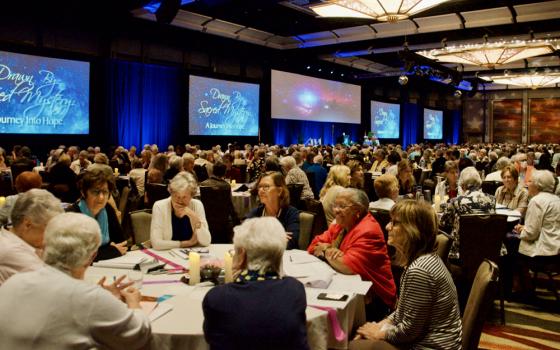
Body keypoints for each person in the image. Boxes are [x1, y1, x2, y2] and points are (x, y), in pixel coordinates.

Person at [0, 212, 151, 349]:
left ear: (44, 246)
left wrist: (102, 298)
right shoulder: (88, 298)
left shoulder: (12, 283)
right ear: (92, 256)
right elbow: (139, 336)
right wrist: (134, 302)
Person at [352, 200, 462, 349]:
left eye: (395, 223)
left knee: (353, 346)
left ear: (412, 231)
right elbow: (403, 313)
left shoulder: (420, 270)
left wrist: (378, 333)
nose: (387, 226)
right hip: (425, 340)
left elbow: (408, 332)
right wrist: (379, 326)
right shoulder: (422, 260)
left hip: (429, 346)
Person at [203, 217, 309, 350]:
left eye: (235, 251)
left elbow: (209, 338)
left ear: (242, 254)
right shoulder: (295, 290)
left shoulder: (217, 297)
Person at [308, 188, 396, 318]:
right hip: (348, 286)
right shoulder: (341, 224)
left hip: (374, 299)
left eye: (342, 206)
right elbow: (313, 245)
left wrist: (325, 249)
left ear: (358, 211)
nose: (336, 210)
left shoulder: (368, 231)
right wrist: (329, 251)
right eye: (335, 205)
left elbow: (347, 266)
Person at [0, 189, 63, 285]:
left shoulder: (21, 240)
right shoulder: (12, 250)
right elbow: (51, 285)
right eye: (49, 228)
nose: (52, 236)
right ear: (27, 224)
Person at [67, 168, 128, 261]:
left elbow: (122, 244)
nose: (101, 197)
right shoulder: (72, 214)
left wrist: (97, 252)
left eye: (105, 192)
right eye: (95, 192)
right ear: (83, 192)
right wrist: (110, 251)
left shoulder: (108, 209)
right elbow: (74, 255)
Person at [440, 166, 496, 260]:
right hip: (488, 249)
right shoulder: (492, 199)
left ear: (462, 185)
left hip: (461, 252)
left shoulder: (456, 201)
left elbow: (444, 223)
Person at [151, 172, 211, 250]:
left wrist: (194, 218)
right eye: (176, 196)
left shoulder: (197, 205)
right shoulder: (159, 206)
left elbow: (206, 242)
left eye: (184, 197)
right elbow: (156, 243)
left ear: (192, 196)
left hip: (193, 254)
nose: (179, 201)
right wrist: (186, 243)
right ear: (171, 193)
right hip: (168, 255)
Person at [246, 171, 299, 250]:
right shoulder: (256, 213)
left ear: (279, 191)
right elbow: (244, 238)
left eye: (266, 186)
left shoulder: (291, 213)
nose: (260, 190)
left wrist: (258, 236)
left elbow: (290, 243)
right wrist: (275, 235)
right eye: (259, 187)